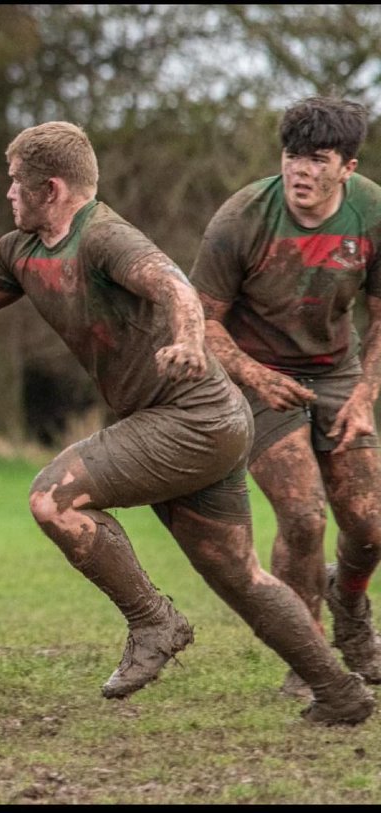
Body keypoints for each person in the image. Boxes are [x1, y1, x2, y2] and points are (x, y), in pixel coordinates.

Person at [0, 120, 376, 725]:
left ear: (50, 189)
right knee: (240, 577)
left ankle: (152, 620)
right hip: (199, 424)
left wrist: (189, 343)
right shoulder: (20, 250)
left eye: (16, 184)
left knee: (53, 500)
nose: (7, 194)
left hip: (193, 418)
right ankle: (338, 693)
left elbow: (177, 289)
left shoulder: (106, 236)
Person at [190, 96, 381, 700]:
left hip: (337, 374)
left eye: (318, 159)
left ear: (347, 167)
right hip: (256, 379)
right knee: (302, 518)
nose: (301, 171)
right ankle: (310, 658)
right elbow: (199, 319)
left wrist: (367, 393)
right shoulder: (242, 217)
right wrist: (250, 372)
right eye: (292, 156)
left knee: (371, 527)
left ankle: (348, 606)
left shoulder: (371, 213)